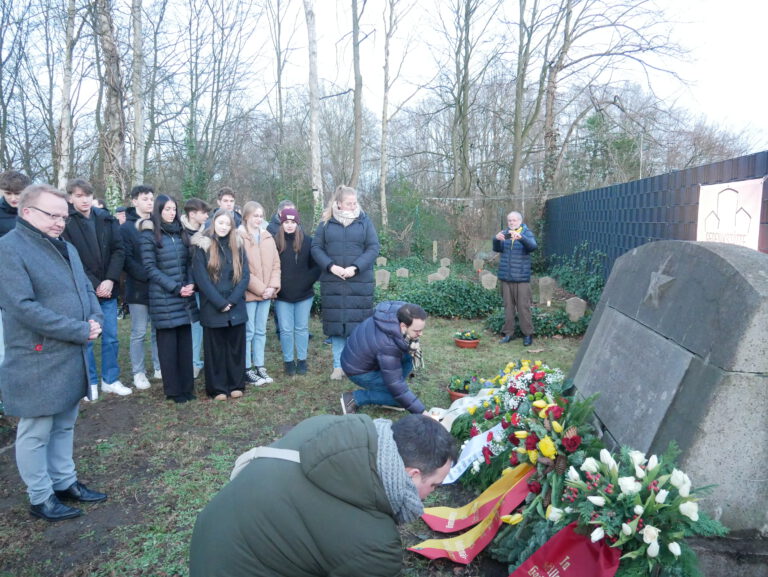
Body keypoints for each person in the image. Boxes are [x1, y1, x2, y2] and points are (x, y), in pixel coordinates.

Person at [189, 413, 457, 577]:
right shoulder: (375, 546)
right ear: (412, 476)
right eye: (434, 486)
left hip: (210, 543)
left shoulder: (328, 428)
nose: (429, 497)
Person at [0, 184, 107, 521]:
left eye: (64, 216)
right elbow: (23, 307)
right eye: (54, 215)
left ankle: (65, 483)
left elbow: (85, 288)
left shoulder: (65, 247)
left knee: (65, 424)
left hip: (69, 353)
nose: (61, 222)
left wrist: (94, 317)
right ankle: (41, 497)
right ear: (28, 212)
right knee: (35, 431)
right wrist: (79, 330)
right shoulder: (9, 249)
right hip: (37, 356)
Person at [62, 178, 128, 396]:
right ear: (70, 198)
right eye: (79, 196)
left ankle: (110, 379)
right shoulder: (66, 222)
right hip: (83, 291)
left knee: (111, 337)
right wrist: (96, 284)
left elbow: (119, 250)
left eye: (88, 195)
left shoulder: (106, 219)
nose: (84, 200)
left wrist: (109, 280)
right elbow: (71, 257)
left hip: (108, 289)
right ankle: (89, 382)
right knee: (87, 338)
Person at [311, 185, 380, 380]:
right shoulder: (326, 223)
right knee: (338, 327)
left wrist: (355, 267)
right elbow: (316, 248)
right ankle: (338, 366)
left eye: (355, 202)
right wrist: (331, 267)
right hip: (333, 282)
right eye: (349, 203)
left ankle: (357, 366)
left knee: (358, 327)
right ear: (339, 204)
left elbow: (373, 248)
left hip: (359, 282)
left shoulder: (364, 222)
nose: (353, 206)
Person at [139, 194, 199, 403]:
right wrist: (175, 288)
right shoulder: (149, 235)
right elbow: (150, 268)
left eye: (174, 209)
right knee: (168, 348)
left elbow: (189, 262)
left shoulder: (181, 233)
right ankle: (173, 390)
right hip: (164, 297)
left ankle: (187, 387)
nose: (171, 213)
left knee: (185, 345)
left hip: (184, 298)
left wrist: (191, 283)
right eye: (167, 209)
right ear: (158, 210)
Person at [191, 209, 250, 400]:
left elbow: (245, 276)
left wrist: (232, 301)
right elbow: (202, 279)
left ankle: (236, 383)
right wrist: (219, 302)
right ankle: (217, 388)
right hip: (213, 306)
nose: (223, 227)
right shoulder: (203, 247)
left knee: (235, 348)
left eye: (227, 224)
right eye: (220, 223)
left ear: (232, 227)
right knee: (215, 349)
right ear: (213, 223)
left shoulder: (238, 246)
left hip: (235, 307)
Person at [340, 301, 428, 415]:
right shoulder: (389, 345)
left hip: (361, 356)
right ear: (403, 326)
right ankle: (354, 398)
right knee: (400, 399)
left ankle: (385, 389)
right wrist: (422, 412)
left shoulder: (399, 312)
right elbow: (396, 385)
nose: (420, 334)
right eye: (416, 331)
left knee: (410, 355)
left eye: (421, 329)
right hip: (357, 370)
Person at [121, 185, 161, 390]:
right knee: (138, 332)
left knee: (158, 329)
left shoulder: (158, 224)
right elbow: (126, 258)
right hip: (138, 287)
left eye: (151, 198)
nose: (149, 202)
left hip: (158, 287)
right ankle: (138, 372)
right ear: (134, 201)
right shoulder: (126, 228)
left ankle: (158, 366)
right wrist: (149, 275)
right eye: (145, 198)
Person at [238, 201, 280, 387]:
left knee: (261, 331)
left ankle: (260, 366)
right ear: (246, 216)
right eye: (255, 215)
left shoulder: (268, 237)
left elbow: (275, 265)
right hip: (250, 294)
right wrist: (262, 289)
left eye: (261, 215)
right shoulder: (239, 237)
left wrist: (272, 287)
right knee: (249, 331)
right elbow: (241, 268)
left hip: (267, 293)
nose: (259, 218)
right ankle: (246, 368)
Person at [274, 208, 319, 375]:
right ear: (282, 223)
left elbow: (316, 267)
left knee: (301, 328)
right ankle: (288, 361)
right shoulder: (275, 242)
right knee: (285, 329)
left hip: (304, 294)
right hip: (282, 295)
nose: (290, 225)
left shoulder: (308, 241)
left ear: (297, 223)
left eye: (293, 222)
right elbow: (271, 267)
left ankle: (301, 359)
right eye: (286, 222)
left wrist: (305, 283)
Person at [0, 170, 32, 400]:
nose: (13, 198)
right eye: (8, 193)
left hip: (30, 280)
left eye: (18, 194)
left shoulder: (31, 215)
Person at [493, 210, 538, 346]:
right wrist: (496, 239)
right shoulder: (505, 234)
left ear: (520, 221)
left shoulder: (526, 233)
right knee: (508, 307)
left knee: (523, 307)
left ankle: (527, 334)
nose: (511, 223)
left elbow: (533, 247)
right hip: (506, 277)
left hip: (521, 278)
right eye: (509, 221)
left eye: (514, 220)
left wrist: (521, 238)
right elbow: (498, 249)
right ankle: (508, 333)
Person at [181, 198, 211, 379]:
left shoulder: (207, 231)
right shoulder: (180, 231)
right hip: (186, 286)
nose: (207, 216)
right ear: (192, 214)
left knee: (203, 324)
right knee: (192, 327)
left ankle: (203, 361)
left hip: (204, 286)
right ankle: (192, 362)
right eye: (204, 213)